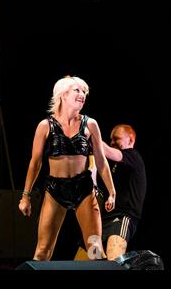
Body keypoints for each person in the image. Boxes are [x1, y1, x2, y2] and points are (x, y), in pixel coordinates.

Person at [18, 75, 116, 260]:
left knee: (95, 249)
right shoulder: (45, 125)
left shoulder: (90, 124)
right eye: (77, 90)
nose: (82, 94)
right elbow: (35, 163)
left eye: (85, 92)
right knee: (42, 251)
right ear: (63, 94)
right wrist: (25, 196)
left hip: (84, 189)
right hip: (55, 190)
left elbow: (102, 162)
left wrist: (111, 191)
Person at [101, 124, 147, 260]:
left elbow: (108, 151)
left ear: (130, 140)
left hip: (121, 218)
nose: (112, 142)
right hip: (101, 222)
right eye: (111, 139)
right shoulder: (114, 166)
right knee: (83, 263)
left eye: (116, 138)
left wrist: (92, 134)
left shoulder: (133, 157)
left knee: (113, 261)